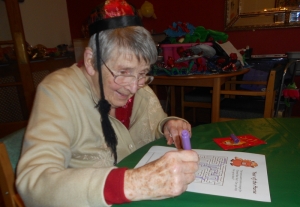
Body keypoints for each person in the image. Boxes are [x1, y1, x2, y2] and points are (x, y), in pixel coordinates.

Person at [16, 0, 199, 206]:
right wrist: (133, 183)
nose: (133, 88)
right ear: (90, 61)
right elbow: (33, 184)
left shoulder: (140, 89)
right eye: (123, 73)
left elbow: (154, 123)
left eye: (143, 73)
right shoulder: (58, 92)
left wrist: (167, 124)